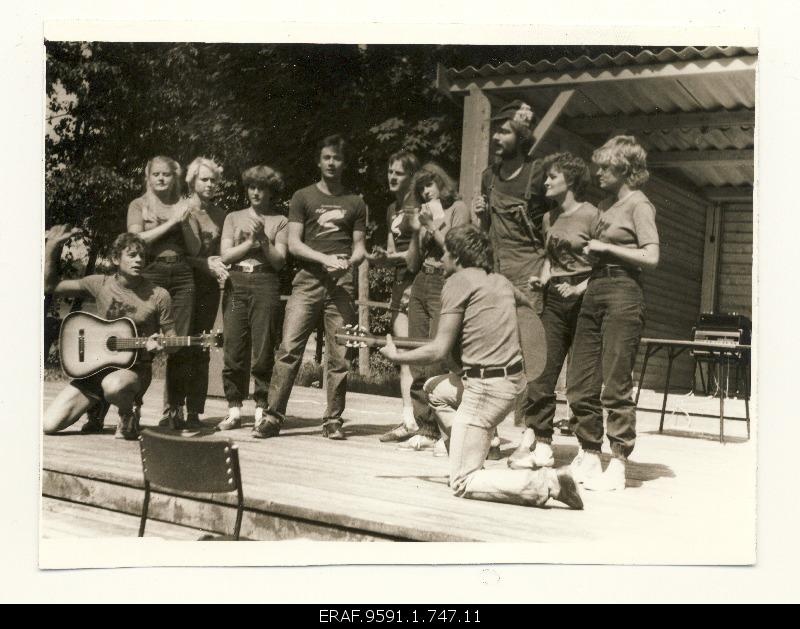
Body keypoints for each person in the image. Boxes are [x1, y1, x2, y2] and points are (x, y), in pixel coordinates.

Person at [379, 225, 583, 510]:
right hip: (511, 385)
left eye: (446, 252)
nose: (442, 258)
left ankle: (549, 482)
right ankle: (471, 455)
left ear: (458, 256)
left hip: (484, 390)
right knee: (435, 390)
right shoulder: (500, 281)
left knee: (462, 482)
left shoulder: (457, 282)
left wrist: (397, 356)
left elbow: (438, 350)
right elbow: (527, 311)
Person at [253, 134, 366, 440]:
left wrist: (351, 261)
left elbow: (359, 247)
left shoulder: (355, 202)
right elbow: (294, 244)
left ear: (344, 163)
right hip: (308, 280)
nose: (332, 163)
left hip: (341, 284)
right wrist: (325, 259)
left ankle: (333, 420)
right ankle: (272, 417)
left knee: (340, 355)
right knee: (289, 349)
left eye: (337, 158)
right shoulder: (303, 197)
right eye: (327, 157)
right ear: (319, 161)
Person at [567, 136, 660, 491]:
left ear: (625, 169)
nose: (598, 173)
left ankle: (618, 464)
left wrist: (606, 247)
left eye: (606, 167)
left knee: (616, 381)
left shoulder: (640, 205)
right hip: (595, 288)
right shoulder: (604, 205)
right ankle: (590, 453)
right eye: (599, 167)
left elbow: (651, 256)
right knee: (580, 380)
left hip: (624, 290)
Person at [508, 153, 600, 469]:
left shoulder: (593, 216)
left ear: (570, 180)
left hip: (585, 298)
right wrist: (543, 278)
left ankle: (589, 449)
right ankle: (543, 443)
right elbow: (551, 258)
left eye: (552, 176)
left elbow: (603, 264)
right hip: (555, 299)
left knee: (582, 381)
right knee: (541, 373)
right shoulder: (549, 218)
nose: (545, 182)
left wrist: (579, 287)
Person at [472, 100, 550, 458]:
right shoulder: (488, 176)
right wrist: (482, 216)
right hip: (496, 272)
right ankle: (490, 431)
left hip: (529, 273)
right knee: (490, 351)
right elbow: (486, 231)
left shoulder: (537, 174)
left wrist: (547, 271)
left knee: (530, 353)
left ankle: (532, 432)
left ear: (520, 136)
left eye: (503, 131)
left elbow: (553, 230)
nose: (496, 138)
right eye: (495, 131)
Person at [43, 228, 174, 440]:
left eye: (142, 256)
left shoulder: (159, 295)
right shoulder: (100, 284)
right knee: (49, 424)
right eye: (132, 255)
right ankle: (98, 406)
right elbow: (50, 286)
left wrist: (162, 344)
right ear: (115, 259)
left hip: (133, 371)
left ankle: (128, 414)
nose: (138, 260)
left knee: (113, 386)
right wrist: (51, 246)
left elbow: (173, 341)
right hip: (95, 367)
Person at [398, 163, 471, 454]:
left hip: (445, 281)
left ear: (441, 183)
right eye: (421, 188)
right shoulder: (425, 213)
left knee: (439, 357)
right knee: (418, 354)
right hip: (422, 280)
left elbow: (457, 250)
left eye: (429, 184)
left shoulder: (458, 209)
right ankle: (425, 428)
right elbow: (412, 263)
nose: (426, 191)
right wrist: (417, 232)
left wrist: (432, 224)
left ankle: (448, 431)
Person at [127, 155, 200, 430]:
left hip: (182, 274)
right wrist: (171, 222)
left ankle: (173, 410)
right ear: (148, 176)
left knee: (177, 342)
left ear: (175, 177)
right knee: (141, 342)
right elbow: (135, 240)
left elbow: (194, 248)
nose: (160, 178)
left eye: (166, 174)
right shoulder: (139, 205)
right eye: (155, 174)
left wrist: (184, 218)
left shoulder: (184, 205)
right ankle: (132, 408)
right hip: (150, 272)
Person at [216, 165, 289, 431]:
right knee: (234, 346)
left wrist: (263, 240)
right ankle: (234, 409)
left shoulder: (281, 220)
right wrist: (250, 243)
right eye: (252, 187)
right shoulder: (233, 217)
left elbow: (279, 261)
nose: (256, 192)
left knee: (263, 347)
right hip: (236, 281)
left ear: (271, 191)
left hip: (265, 281)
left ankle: (261, 408)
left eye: (262, 188)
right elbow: (225, 256)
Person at [367, 151, 422, 443]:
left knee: (423, 351)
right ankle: (409, 419)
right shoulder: (392, 208)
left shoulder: (419, 205)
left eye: (398, 173)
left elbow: (418, 254)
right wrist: (380, 257)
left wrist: (395, 258)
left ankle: (430, 422)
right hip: (401, 282)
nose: (392, 177)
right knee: (403, 352)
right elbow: (393, 252)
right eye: (390, 171)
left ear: (412, 177)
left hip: (421, 281)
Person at [177, 157, 229, 428]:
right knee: (178, 345)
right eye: (204, 179)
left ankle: (194, 411)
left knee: (201, 345)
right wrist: (204, 264)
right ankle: (173, 408)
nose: (210, 184)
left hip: (208, 287)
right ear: (192, 181)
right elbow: (176, 255)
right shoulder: (180, 210)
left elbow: (224, 253)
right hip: (181, 283)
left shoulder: (222, 216)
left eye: (213, 180)